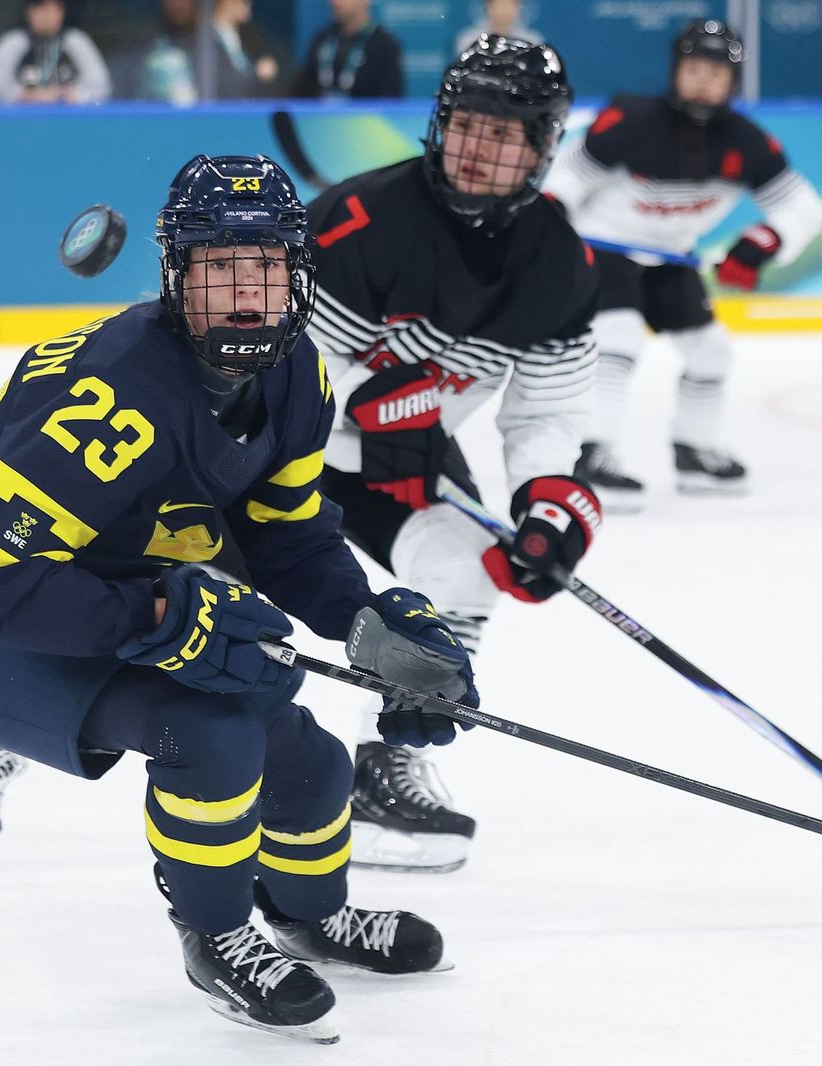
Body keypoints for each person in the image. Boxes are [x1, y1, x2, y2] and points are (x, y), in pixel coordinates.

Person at [0, 154, 478, 1042]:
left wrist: (368, 622)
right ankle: (216, 935)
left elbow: (290, 536)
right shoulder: (109, 397)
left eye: (264, 266)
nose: (245, 292)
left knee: (310, 760)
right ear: (176, 276)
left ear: (298, 276)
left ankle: (310, 918)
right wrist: (160, 619)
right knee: (210, 733)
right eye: (219, 267)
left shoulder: (298, 377)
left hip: (107, 578)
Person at [302, 35, 599, 872]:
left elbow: (548, 408)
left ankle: (382, 766)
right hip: (267, 455)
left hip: (399, 460)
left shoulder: (559, 263)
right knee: (175, 593)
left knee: (465, 573)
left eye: (502, 133)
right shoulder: (360, 222)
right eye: (467, 124)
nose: (476, 147)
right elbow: (276, 375)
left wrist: (546, 499)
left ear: (541, 148)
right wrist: (366, 403)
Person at [544, 19, 822, 511]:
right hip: (602, 248)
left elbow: (800, 207)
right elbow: (568, 176)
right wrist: (552, 215)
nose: (702, 82)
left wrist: (762, 242)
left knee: (710, 351)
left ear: (732, 83)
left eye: (716, 74)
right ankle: (591, 453)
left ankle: (694, 450)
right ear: (676, 71)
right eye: (694, 69)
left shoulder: (746, 142)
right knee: (618, 338)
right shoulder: (631, 121)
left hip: (670, 257)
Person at [0, 0, 111, 104]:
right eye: (41, 9)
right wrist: (28, 95)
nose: (47, 16)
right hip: (23, 118)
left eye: (53, 10)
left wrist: (76, 94)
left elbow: (101, 86)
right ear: (29, 12)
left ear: (62, 12)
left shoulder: (77, 41)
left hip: (69, 117)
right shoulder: (12, 43)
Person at [290, 0, 403, 99]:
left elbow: (390, 103)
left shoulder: (386, 46)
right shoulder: (321, 40)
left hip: (366, 116)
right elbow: (303, 92)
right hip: (322, 116)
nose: (334, 2)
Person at [453, 0, 538, 56]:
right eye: (499, 5)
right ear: (488, 6)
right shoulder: (469, 40)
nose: (503, 11)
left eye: (508, 5)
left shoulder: (532, 42)